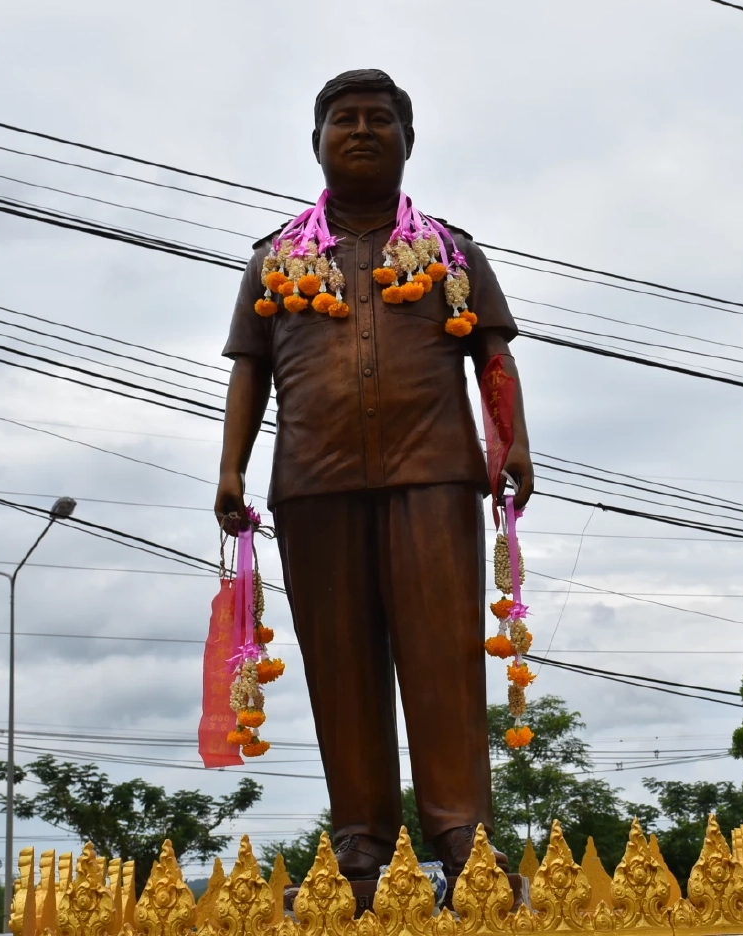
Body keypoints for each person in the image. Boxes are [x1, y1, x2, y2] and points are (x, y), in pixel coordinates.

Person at [214, 68, 534, 881]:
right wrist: (231, 470)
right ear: (316, 143)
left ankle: (462, 831)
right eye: (343, 120)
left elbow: (492, 354)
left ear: (408, 141)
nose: (361, 131)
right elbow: (249, 371)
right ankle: (361, 834)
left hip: (432, 471)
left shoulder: (451, 252)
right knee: (340, 658)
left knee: (444, 655)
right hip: (313, 479)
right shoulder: (275, 260)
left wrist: (512, 444)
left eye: (380, 119)